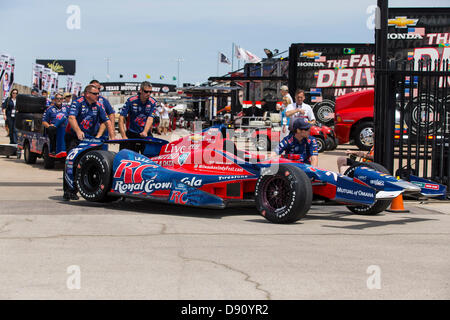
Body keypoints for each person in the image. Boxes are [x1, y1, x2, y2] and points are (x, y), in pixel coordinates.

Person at [63, 84, 116, 201]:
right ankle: (69, 191)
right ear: (87, 94)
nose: (98, 96)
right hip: (74, 137)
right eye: (95, 94)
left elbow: (107, 121)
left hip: (90, 138)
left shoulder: (99, 105)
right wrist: (78, 131)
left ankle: (94, 187)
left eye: (98, 93)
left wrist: (112, 136)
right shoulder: (77, 103)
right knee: (72, 162)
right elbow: (71, 118)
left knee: (94, 162)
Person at [118, 81, 158, 151]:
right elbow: (121, 117)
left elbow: (150, 118)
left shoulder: (153, 102)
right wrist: (123, 135)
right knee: (125, 156)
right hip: (131, 133)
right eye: (146, 91)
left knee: (151, 156)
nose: (148, 94)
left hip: (145, 134)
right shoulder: (131, 100)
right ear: (141, 90)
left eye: (150, 92)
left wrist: (145, 132)